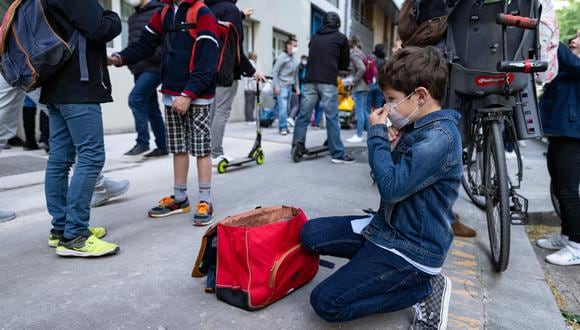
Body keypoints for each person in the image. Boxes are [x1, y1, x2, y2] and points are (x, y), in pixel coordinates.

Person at [300, 46, 461, 328]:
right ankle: (374, 269)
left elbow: (390, 188)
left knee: (326, 302)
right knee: (311, 234)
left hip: (411, 249)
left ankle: (420, 290)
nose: (387, 109)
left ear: (420, 96)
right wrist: (389, 147)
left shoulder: (440, 139)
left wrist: (376, 136)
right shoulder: (416, 128)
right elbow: (384, 181)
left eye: (392, 100)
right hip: (384, 229)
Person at [110, 0, 219, 226]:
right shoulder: (164, 13)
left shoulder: (202, 13)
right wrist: (120, 58)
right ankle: (180, 198)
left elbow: (208, 61)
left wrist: (188, 94)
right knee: (178, 147)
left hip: (196, 96)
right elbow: (144, 45)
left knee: (201, 149)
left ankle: (205, 200)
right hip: (171, 93)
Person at [40, 0, 122, 257]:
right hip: (78, 88)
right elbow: (100, 28)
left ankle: (61, 229)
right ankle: (75, 235)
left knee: (59, 160)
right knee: (91, 156)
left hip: (55, 86)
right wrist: (112, 16)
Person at [537, 34, 580, 266]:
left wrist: (551, 37)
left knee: (568, 191)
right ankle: (566, 236)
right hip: (559, 133)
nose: (574, 40)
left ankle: (577, 245)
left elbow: (572, 63)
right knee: (559, 187)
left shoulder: (575, 64)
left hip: (573, 137)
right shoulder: (567, 66)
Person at [205, 0, 265, 165]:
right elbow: (235, 47)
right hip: (226, 70)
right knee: (221, 112)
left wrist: (240, 15)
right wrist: (253, 71)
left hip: (207, 70)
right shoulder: (230, 9)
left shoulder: (207, 8)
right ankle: (216, 154)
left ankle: (206, 151)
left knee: (212, 111)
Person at [291, 12, 355, 164]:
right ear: (337, 23)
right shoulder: (340, 38)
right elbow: (344, 62)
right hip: (327, 81)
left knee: (303, 116)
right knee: (332, 117)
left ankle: (297, 145)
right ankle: (337, 154)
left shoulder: (315, 37)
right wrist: (341, 68)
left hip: (310, 80)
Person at [122, 0, 168, 159]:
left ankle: (142, 142)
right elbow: (132, 42)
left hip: (154, 67)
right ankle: (163, 146)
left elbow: (165, 41)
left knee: (135, 99)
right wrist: (127, 60)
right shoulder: (133, 17)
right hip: (138, 67)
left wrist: (156, 56)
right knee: (152, 108)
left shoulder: (161, 10)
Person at [272, 37, 300, 135]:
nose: (296, 47)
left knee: (287, 108)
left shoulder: (294, 59)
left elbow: (295, 75)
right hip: (281, 86)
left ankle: (284, 126)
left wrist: (297, 87)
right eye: (294, 45)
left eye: (297, 46)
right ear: (288, 45)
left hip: (289, 86)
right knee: (282, 108)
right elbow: (275, 72)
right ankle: (283, 127)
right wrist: (276, 86)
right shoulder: (282, 57)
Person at [346, 35, 369, 143]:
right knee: (364, 111)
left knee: (360, 111)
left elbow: (362, 69)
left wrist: (353, 81)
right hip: (364, 86)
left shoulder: (354, 54)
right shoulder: (361, 53)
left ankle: (359, 135)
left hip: (359, 87)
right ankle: (368, 132)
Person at [367, 44, 386, 113]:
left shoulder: (371, 58)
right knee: (378, 106)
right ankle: (377, 122)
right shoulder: (384, 60)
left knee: (367, 106)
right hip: (379, 85)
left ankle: (368, 122)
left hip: (371, 83)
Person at [244, 52, 258, 124]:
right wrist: (256, 89)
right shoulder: (252, 64)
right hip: (250, 88)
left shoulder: (248, 63)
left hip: (247, 87)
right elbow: (253, 79)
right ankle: (250, 119)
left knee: (248, 104)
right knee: (250, 104)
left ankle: (248, 119)